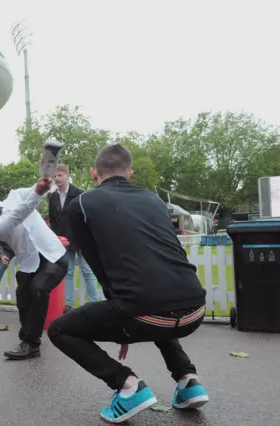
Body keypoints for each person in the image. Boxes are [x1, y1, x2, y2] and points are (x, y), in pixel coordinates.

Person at [48, 144, 209, 423]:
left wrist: (121, 323)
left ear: (93, 173)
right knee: (157, 298)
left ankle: (127, 385)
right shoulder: (155, 200)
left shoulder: (82, 204)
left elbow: (97, 265)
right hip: (195, 308)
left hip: (145, 312)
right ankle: (188, 380)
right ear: (130, 173)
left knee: (59, 330)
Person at [0, 179, 68, 360]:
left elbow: (35, 190)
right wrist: (37, 192)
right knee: (23, 294)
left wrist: (43, 182)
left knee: (38, 288)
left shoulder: (17, 195)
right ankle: (27, 339)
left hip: (53, 257)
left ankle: (31, 343)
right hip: (29, 263)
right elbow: (20, 213)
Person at [47, 164, 98, 311]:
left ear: (67, 177)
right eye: (55, 176)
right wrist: (58, 239)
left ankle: (94, 303)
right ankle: (67, 304)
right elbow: (53, 221)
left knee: (87, 272)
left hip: (82, 240)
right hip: (64, 242)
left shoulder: (80, 194)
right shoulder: (53, 197)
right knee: (67, 272)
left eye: (60, 175)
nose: (57, 179)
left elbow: (87, 218)